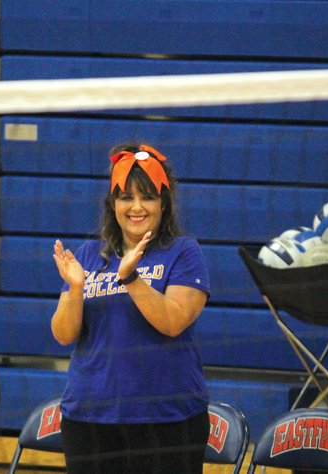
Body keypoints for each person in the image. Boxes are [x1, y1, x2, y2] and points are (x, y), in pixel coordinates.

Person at [52, 142, 211, 474]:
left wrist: (131, 278)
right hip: (89, 419)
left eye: (148, 197)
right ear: (113, 204)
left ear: (163, 204)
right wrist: (77, 288)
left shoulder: (183, 251)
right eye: (126, 197)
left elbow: (173, 321)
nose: (136, 207)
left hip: (168, 420)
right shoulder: (87, 254)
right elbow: (64, 335)